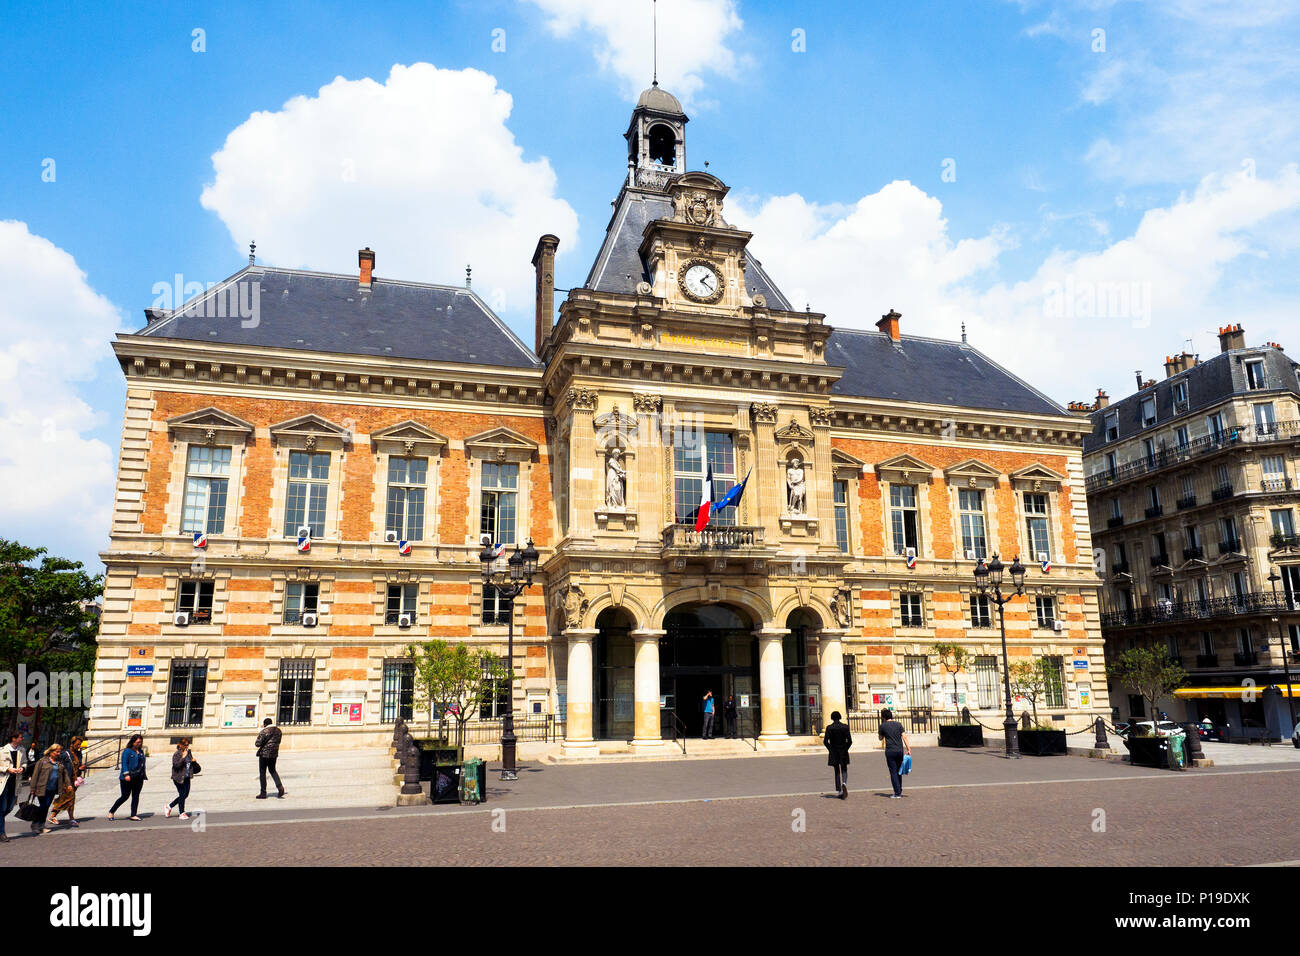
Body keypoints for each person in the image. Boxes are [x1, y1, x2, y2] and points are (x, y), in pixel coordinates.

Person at [108, 734, 147, 821]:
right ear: (133, 742)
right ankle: (111, 811)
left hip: (138, 777)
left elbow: (142, 764)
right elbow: (124, 763)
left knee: (136, 796)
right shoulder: (127, 751)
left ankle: (133, 814)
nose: (139, 744)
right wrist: (126, 774)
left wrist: (143, 774)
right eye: (138, 742)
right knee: (125, 796)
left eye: (140, 742)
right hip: (128, 777)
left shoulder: (141, 751)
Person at [28, 744, 64, 835]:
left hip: (52, 789)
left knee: (46, 807)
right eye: (57, 751)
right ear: (51, 751)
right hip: (42, 788)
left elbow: (63, 774)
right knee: (41, 807)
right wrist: (32, 788)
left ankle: (41, 825)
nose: (58, 753)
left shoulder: (59, 762)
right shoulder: (42, 761)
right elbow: (35, 775)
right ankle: (35, 825)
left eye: (59, 752)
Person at [48, 736, 83, 828]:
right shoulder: (65, 754)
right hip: (66, 781)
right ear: (72, 744)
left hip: (74, 781)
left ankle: (53, 816)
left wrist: (81, 768)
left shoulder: (79, 754)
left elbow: (79, 765)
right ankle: (71, 819)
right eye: (77, 744)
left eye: (80, 744)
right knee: (70, 798)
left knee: (65, 799)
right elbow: (59, 766)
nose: (79, 746)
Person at [877, 708, 911, 799]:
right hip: (899, 750)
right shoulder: (899, 724)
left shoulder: (883, 726)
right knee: (899, 771)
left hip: (890, 751)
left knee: (893, 771)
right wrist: (908, 748)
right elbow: (904, 737)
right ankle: (899, 789)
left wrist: (882, 733)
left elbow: (880, 738)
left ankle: (897, 793)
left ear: (884, 717)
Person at [1, 732, 28, 843]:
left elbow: (25, 762)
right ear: (14, 738)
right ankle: (2, 833)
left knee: (10, 807)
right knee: (2, 808)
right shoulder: (2, 750)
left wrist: (22, 768)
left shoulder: (22, 750)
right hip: (3, 782)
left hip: (15, 782)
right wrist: (8, 769)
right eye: (20, 737)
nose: (22, 739)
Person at [823, 711, 853, 799]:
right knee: (844, 768)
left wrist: (830, 749)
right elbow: (850, 741)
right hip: (843, 750)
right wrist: (846, 748)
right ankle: (844, 782)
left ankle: (839, 790)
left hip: (834, 751)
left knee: (836, 771)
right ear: (840, 717)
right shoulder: (845, 727)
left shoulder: (829, 728)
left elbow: (825, 741)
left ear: (832, 718)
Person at [255, 718, 286, 799]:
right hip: (274, 754)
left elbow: (257, 744)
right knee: (273, 770)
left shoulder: (264, 731)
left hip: (264, 754)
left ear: (265, 724)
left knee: (262, 773)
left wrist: (258, 736)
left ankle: (263, 793)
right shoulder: (279, 731)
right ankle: (280, 788)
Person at [165, 737, 194, 820]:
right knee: (182, 794)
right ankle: (182, 813)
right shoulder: (177, 754)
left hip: (187, 776)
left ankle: (169, 806)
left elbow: (189, 763)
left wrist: (193, 761)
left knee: (185, 795)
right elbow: (176, 765)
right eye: (185, 745)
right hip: (178, 777)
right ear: (180, 745)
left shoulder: (188, 752)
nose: (186, 747)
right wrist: (183, 757)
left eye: (188, 745)